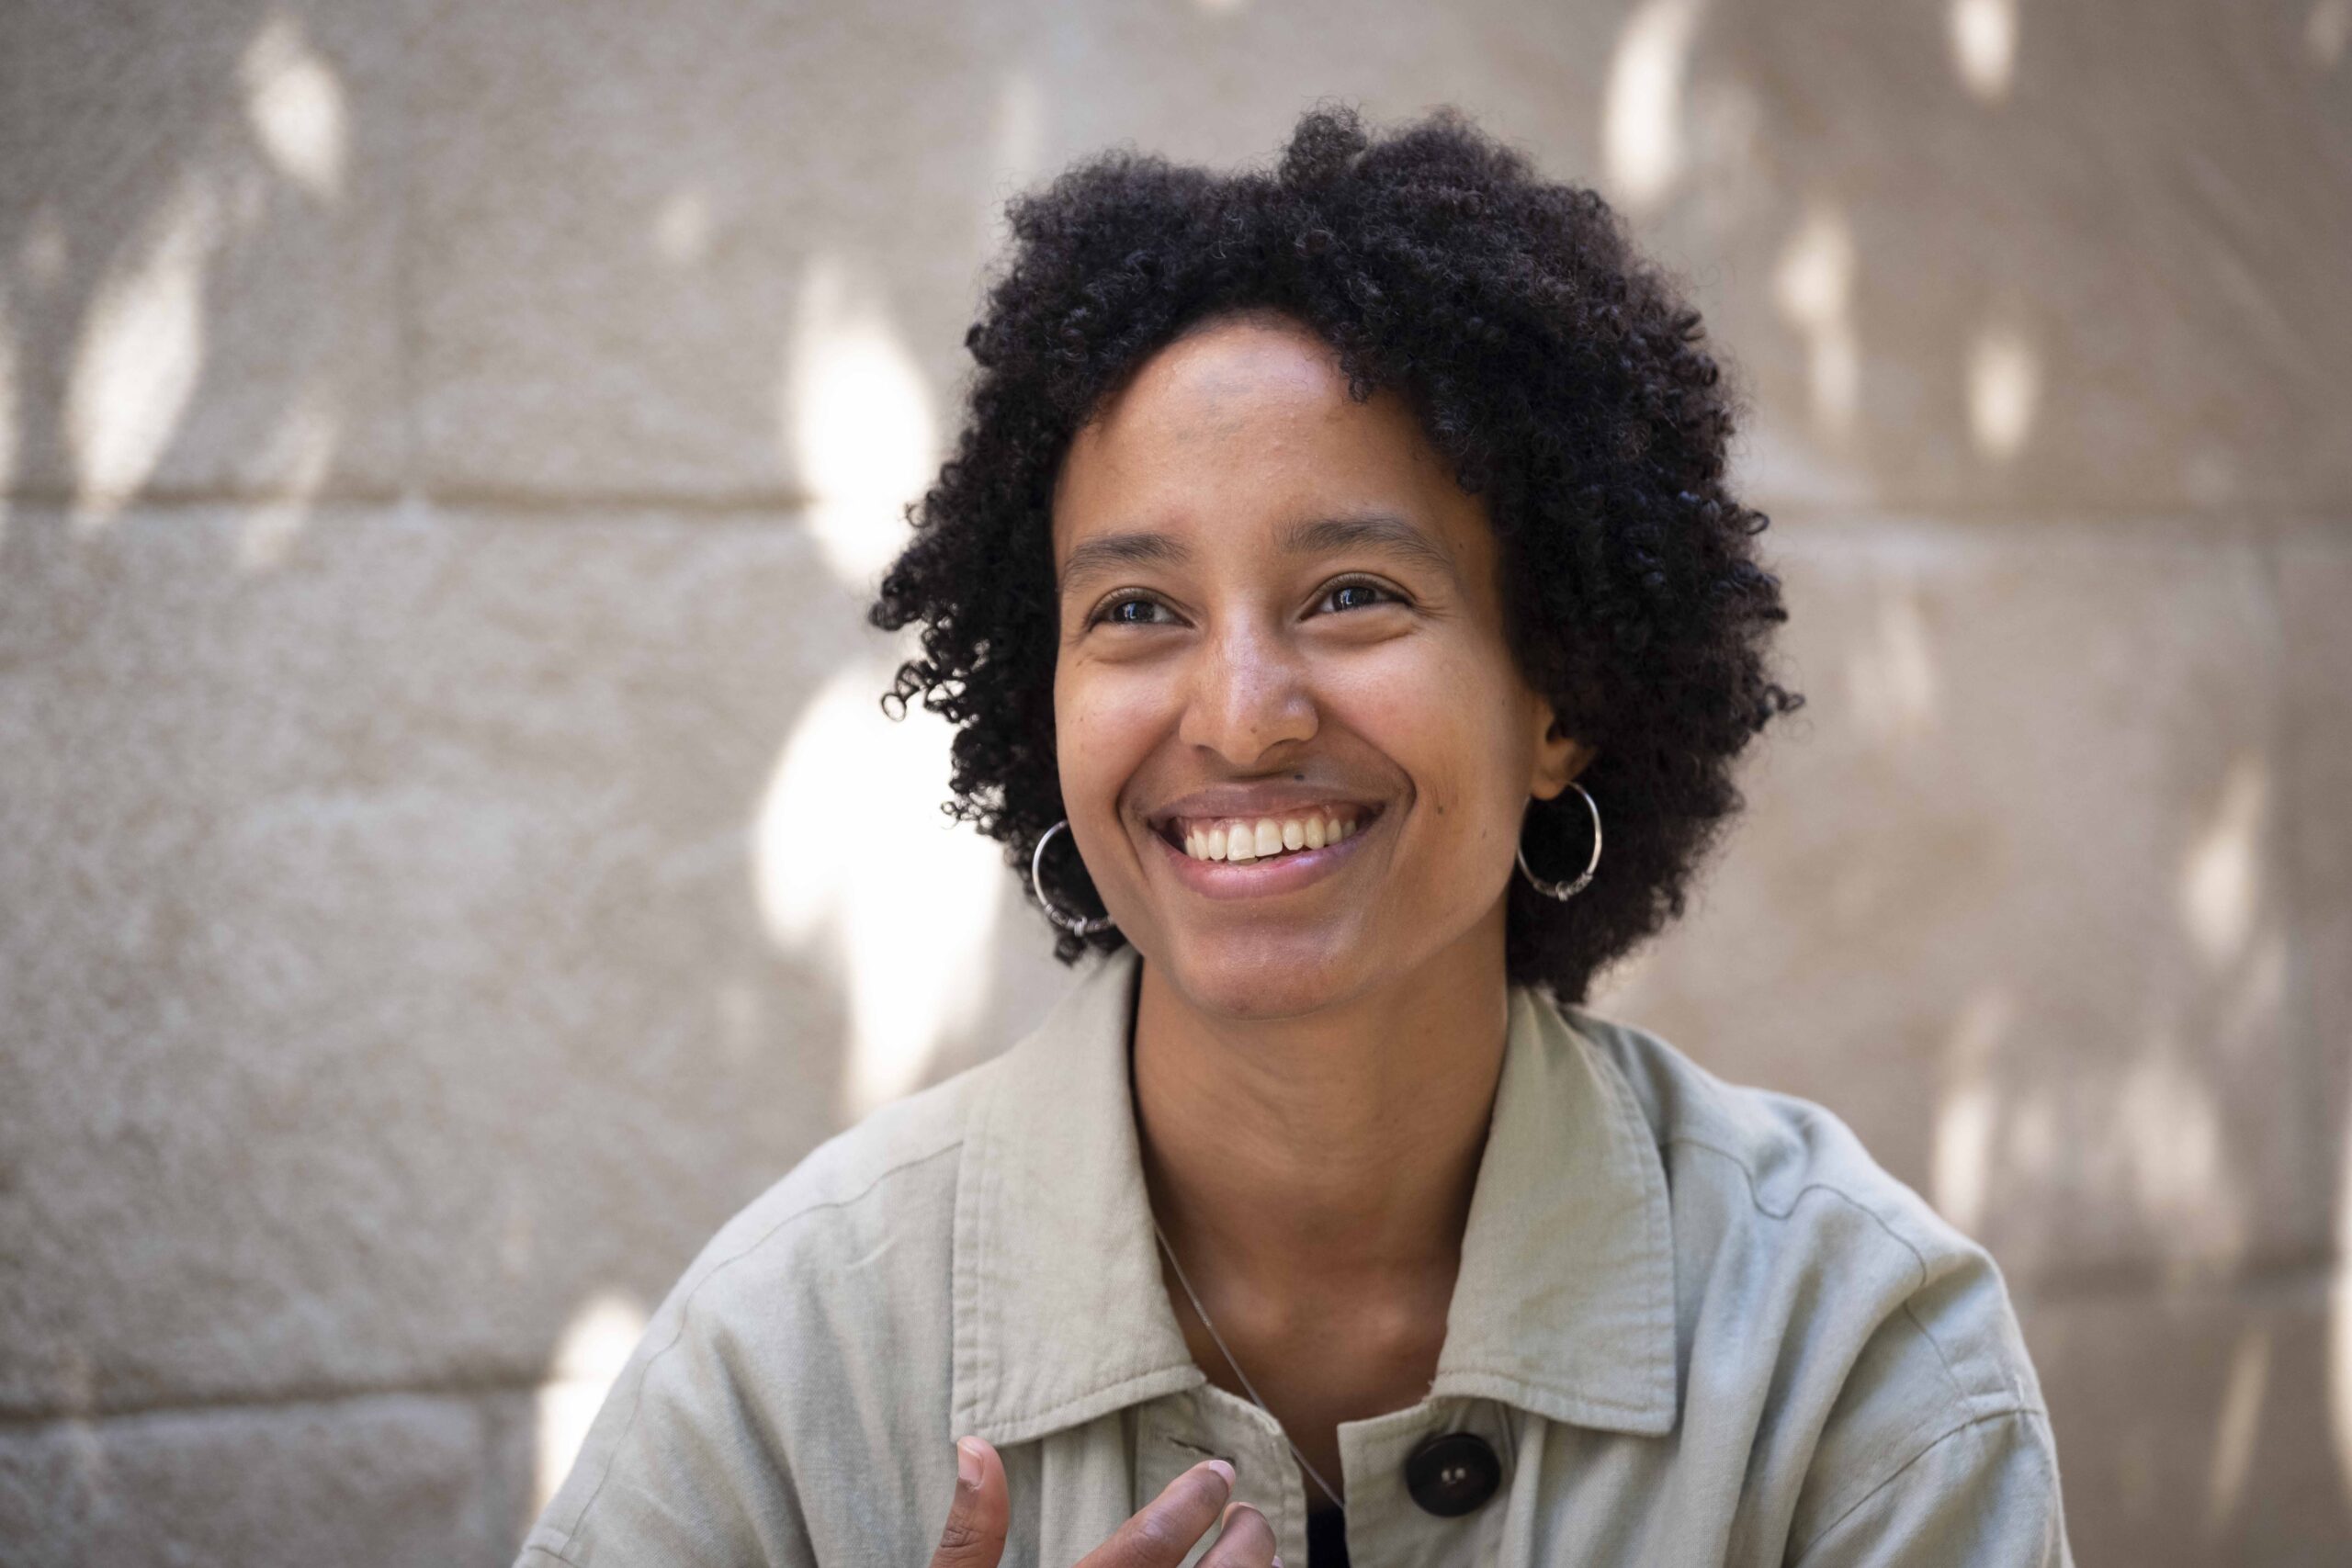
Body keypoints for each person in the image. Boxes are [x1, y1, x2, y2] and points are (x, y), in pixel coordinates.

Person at [519, 105, 2071, 1567]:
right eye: (1136, 611)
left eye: (1353, 596)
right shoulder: (790, 1355)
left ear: (1562, 696)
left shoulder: (1852, 1349)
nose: (1243, 715)